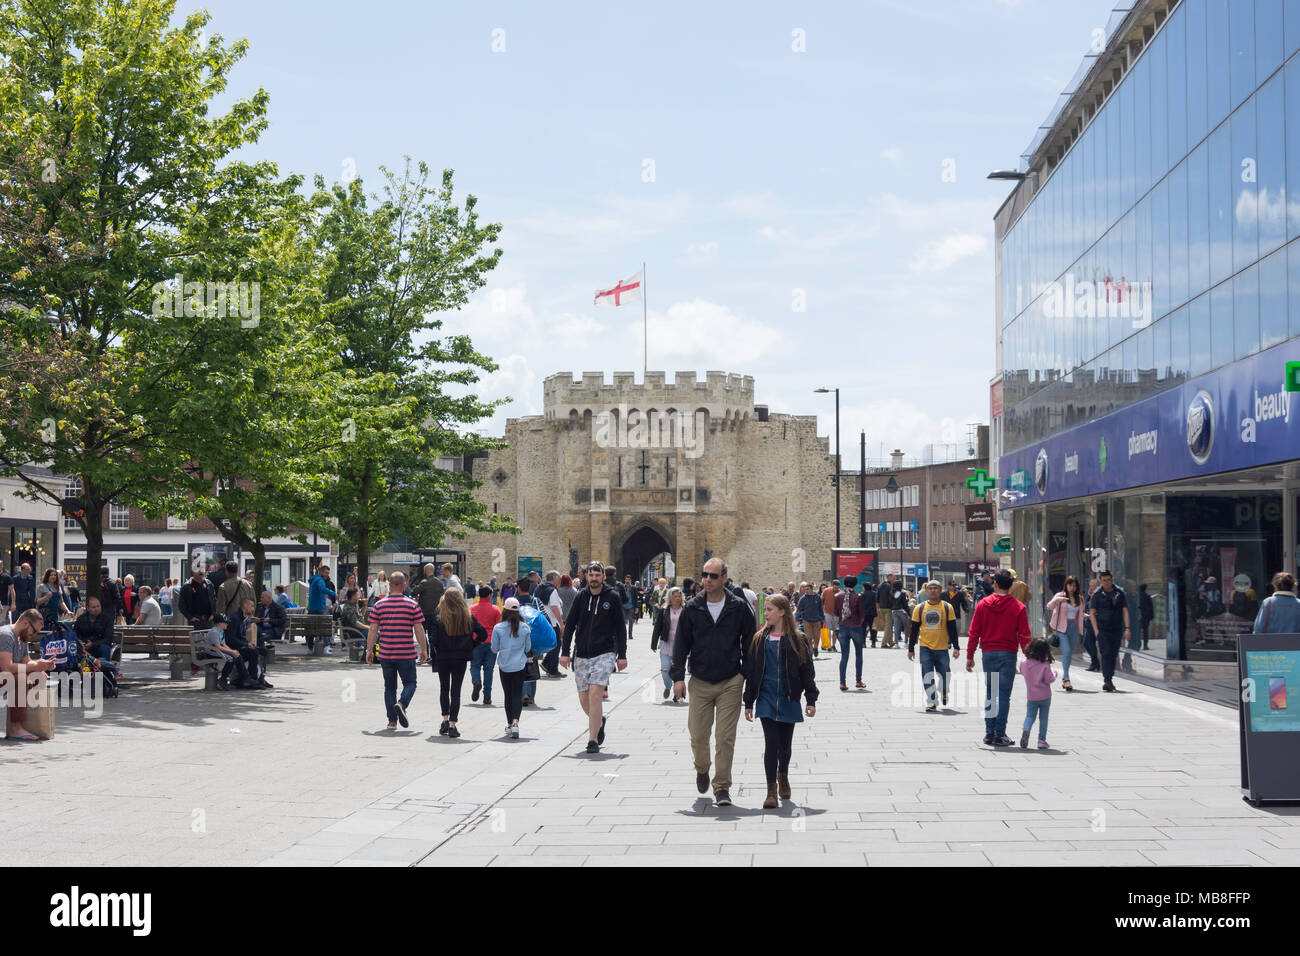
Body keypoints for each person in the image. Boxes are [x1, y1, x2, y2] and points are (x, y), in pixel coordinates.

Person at [670, 557, 755, 807]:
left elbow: (750, 643)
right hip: (700, 680)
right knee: (698, 736)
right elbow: (681, 644)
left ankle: (722, 787)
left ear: (724, 579)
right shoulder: (693, 607)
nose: (707, 580)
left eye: (713, 576)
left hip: (730, 680)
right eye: (705, 575)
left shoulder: (738, 607)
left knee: (725, 737)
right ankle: (701, 768)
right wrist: (677, 677)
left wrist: (746, 676)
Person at [743, 593, 817, 809]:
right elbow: (752, 672)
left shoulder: (798, 639)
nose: (765, 614)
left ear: (783, 611)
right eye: (765, 610)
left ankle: (783, 774)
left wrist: (810, 699)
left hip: (788, 697)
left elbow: (807, 671)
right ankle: (771, 789)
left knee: (785, 745)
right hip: (766, 698)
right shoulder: (759, 638)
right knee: (771, 744)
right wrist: (748, 702)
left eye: (770, 610)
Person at [560, 561, 628, 753]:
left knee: (595, 693)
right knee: (584, 698)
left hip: (604, 652)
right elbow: (570, 625)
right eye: (591, 575)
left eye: (597, 575)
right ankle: (599, 720)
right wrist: (565, 652)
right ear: (586, 576)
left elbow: (620, 628)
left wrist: (621, 655)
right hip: (581, 653)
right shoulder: (580, 596)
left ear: (603, 577)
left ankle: (592, 740)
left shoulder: (612, 597)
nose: (594, 578)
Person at [965, 569, 1031, 747]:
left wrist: (970, 656)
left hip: (988, 654)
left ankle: (989, 732)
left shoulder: (983, 604)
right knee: (1003, 695)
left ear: (995, 584)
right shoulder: (1019, 607)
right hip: (1008, 654)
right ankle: (999, 733)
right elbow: (1024, 635)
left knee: (990, 693)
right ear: (1010, 587)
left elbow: (974, 632)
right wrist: (1029, 657)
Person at [366, 571, 428, 730]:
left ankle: (392, 721)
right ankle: (402, 703)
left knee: (389, 687)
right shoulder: (412, 604)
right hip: (406, 652)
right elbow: (419, 629)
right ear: (404, 585)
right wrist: (423, 649)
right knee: (410, 683)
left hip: (386, 652)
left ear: (389, 585)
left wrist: (369, 650)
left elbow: (373, 629)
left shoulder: (379, 605)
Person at [427, 588, 487, 738]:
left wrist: (439, 647)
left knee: (444, 688)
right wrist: (470, 645)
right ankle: (453, 724)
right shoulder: (467, 617)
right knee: (456, 691)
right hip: (461, 657)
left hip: (443, 657)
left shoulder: (438, 618)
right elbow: (483, 634)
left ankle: (445, 720)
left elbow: (432, 639)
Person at [1, 609, 57, 740]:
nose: (34, 635)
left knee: (39, 676)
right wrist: (36, 665)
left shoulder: (23, 637)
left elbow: (27, 663)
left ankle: (30, 722)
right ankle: (15, 728)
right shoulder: (6, 635)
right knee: (20, 678)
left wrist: (41, 665)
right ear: (26, 622)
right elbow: (7, 667)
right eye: (34, 631)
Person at [908, 580, 960, 712]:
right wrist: (911, 649)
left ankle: (943, 691)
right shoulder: (919, 608)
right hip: (925, 647)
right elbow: (914, 630)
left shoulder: (947, 607)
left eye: (935, 588)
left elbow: (952, 629)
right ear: (926, 591)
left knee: (945, 674)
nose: (932, 591)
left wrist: (956, 647)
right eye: (930, 588)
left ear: (940, 590)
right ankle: (931, 701)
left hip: (942, 648)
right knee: (927, 675)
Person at [492, 598, 532, 739]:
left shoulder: (498, 628)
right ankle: (515, 723)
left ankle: (509, 724)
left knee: (508, 695)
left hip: (504, 665)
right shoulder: (525, 627)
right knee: (516, 694)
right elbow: (528, 648)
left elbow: (494, 648)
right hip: (519, 665)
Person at [1088, 570, 1130, 693]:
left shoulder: (1119, 594)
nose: (1106, 582)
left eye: (1108, 580)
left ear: (1112, 580)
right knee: (1105, 654)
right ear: (1100, 581)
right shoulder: (1097, 595)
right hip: (1103, 630)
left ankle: (1109, 678)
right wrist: (1096, 630)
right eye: (1104, 580)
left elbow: (1125, 610)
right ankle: (1107, 680)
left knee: (1113, 654)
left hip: (1117, 630)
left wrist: (1128, 628)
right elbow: (1092, 613)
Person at [1046, 576, 1085, 691]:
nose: (1072, 588)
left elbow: (1080, 613)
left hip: (1074, 628)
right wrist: (1056, 600)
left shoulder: (1080, 599)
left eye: (1074, 585)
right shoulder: (1060, 595)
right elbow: (1049, 606)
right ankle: (1067, 678)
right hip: (1061, 628)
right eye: (1070, 585)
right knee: (1067, 651)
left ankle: (1065, 677)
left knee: (1068, 654)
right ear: (1066, 585)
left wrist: (1086, 616)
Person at [1018, 638, 1057, 750]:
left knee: (1030, 716)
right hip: (1045, 696)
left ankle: (1026, 730)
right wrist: (1055, 674)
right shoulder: (1045, 665)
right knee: (1043, 718)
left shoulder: (1024, 663)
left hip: (1031, 696)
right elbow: (1050, 679)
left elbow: (1021, 671)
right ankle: (1041, 740)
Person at [226, 598, 272, 689]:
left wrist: (249, 643)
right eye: (251, 606)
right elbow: (231, 639)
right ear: (244, 606)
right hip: (232, 648)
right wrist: (246, 644)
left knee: (263, 650)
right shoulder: (235, 618)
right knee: (253, 651)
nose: (253, 609)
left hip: (240, 645)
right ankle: (253, 679)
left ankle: (259, 678)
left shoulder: (244, 618)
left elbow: (242, 636)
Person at [651, 586, 686, 702]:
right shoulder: (664, 610)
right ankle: (668, 686)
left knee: (678, 669)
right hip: (666, 643)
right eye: (674, 596)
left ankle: (678, 693)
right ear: (670, 598)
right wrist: (653, 643)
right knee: (665, 670)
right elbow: (657, 628)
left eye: (679, 596)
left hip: (681, 645)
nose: (677, 598)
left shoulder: (686, 610)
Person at [470, 585, 501, 706]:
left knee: (474, 666)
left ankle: (476, 681)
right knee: (489, 669)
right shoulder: (495, 609)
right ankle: (487, 695)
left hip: (476, 641)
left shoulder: (472, 609)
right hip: (491, 641)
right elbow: (499, 627)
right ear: (489, 595)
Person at [836, 575, 867, 691]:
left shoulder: (838, 596)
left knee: (844, 655)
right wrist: (858, 622)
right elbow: (862, 614)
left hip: (843, 627)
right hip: (855, 626)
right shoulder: (858, 596)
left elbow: (836, 612)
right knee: (858, 654)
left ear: (844, 583)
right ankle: (858, 680)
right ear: (855, 584)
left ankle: (842, 682)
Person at [536, 571, 565, 677]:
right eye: (559, 577)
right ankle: (552, 668)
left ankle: (547, 664)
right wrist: (561, 624)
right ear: (554, 578)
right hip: (552, 621)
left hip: (542, 620)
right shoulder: (552, 590)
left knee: (554, 644)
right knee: (556, 644)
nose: (560, 580)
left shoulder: (539, 588)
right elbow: (554, 607)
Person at [73, 596, 115, 663]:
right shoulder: (81, 619)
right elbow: (75, 635)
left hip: (99, 646)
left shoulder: (107, 619)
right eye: (93, 607)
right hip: (84, 646)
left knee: (104, 648)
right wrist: (81, 643)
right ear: (88, 608)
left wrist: (93, 644)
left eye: (98, 606)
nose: (96, 609)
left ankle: (104, 668)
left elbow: (108, 639)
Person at [306, 564, 337, 653]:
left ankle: (310, 647)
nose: (327, 575)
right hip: (319, 607)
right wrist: (333, 593)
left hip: (312, 607)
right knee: (324, 627)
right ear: (321, 572)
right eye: (326, 573)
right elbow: (322, 588)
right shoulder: (320, 580)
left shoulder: (314, 579)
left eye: (328, 573)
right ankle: (326, 647)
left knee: (311, 628)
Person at [178, 566, 216, 631]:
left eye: (202, 569)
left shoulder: (209, 584)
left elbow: (214, 599)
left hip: (209, 620)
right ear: (193, 572)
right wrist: (190, 617)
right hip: (195, 621)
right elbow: (181, 605)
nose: (200, 571)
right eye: (198, 570)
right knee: (196, 640)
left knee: (210, 640)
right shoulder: (187, 586)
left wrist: (213, 614)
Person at [795, 582, 825, 658]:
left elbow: (820, 608)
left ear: (812, 589)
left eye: (807, 589)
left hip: (816, 620)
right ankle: (810, 651)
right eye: (805, 589)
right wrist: (797, 619)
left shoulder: (817, 597)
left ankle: (815, 648)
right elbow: (799, 610)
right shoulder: (803, 599)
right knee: (808, 637)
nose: (806, 591)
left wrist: (822, 618)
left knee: (817, 636)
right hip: (806, 620)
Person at [876, 573, 896, 647]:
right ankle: (883, 643)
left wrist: (878, 608)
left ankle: (890, 642)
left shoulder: (880, 585)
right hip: (888, 608)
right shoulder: (889, 586)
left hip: (881, 607)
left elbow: (877, 597)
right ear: (889, 577)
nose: (894, 580)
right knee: (888, 626)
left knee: (887, 626)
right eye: (893, 578)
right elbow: (891, 596)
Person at [891, 583, 912, 649]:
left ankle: (896, 643)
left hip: (894, 611)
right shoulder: (902, 593)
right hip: (902, 611)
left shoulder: (892, 593)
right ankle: (906, 643)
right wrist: (909, 613)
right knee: (906, 627)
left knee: (896, 628)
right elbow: (905, 604)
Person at [822, 579, 841, 653]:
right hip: (827, 612)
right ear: (832, 585)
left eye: (837, 587)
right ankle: (829, 645)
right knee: (828, 629)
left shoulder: (840, 592)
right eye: (835, 587)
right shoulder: (826, 591)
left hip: (836, 614)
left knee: (835, 631)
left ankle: (833, 645)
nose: (836, 589)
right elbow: (822, 600)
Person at [1137, 584, 1154, 650]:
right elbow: (1151, 607)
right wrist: (1151, 616)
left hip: (1138, 615)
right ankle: (1145, 645)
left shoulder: (1138, 596)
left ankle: (1137, 644)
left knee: (1137, 631)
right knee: (1145, 631)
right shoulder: (1147, 596)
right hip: (1145, 616)